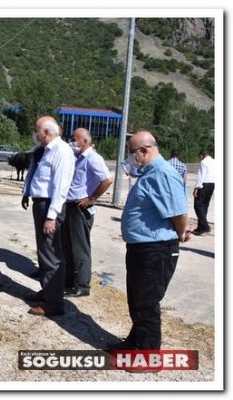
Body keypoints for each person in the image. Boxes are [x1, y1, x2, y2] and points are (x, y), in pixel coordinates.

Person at [108, 131, 192, 352]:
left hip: (155, 250)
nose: (130, 158)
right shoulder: (150, 173)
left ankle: (148, 354)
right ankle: (134, 342)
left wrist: (181, 234)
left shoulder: (162, 174)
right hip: (142, 248)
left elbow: (179, 213)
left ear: (143, 151)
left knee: (146, 304)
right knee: (138, 301)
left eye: (132, 153)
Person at [21, 116, 75, 317]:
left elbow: (60, 188)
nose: (34, 134)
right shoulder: (46, 151)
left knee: (51, 255)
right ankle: (48, 290)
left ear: (45, 132)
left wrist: (51, 216)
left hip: (50, 207)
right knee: (44, 253)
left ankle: (54, 303)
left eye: (36, 130)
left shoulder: (61, 152)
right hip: (41, 204)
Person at [62, 128, 113, 298]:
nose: (71, 142)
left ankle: (82, 285)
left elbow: (107, 180)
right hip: (69, 206)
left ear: (84, 141)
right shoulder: (77, 158)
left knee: (80, 248)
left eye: (74, 139)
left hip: (80, 208)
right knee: (68, 247)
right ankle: (69, 281)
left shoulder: (93, 158)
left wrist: (91, 199)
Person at [193, 149, 215, 236]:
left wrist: (197, 188)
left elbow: (201, 176)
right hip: (212, 185)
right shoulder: (215, 162)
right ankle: (201, 226)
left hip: (204, 184)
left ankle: (205, 226)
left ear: (202, 155)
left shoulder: (203, 162)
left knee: (198, 205)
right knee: (204, 206)